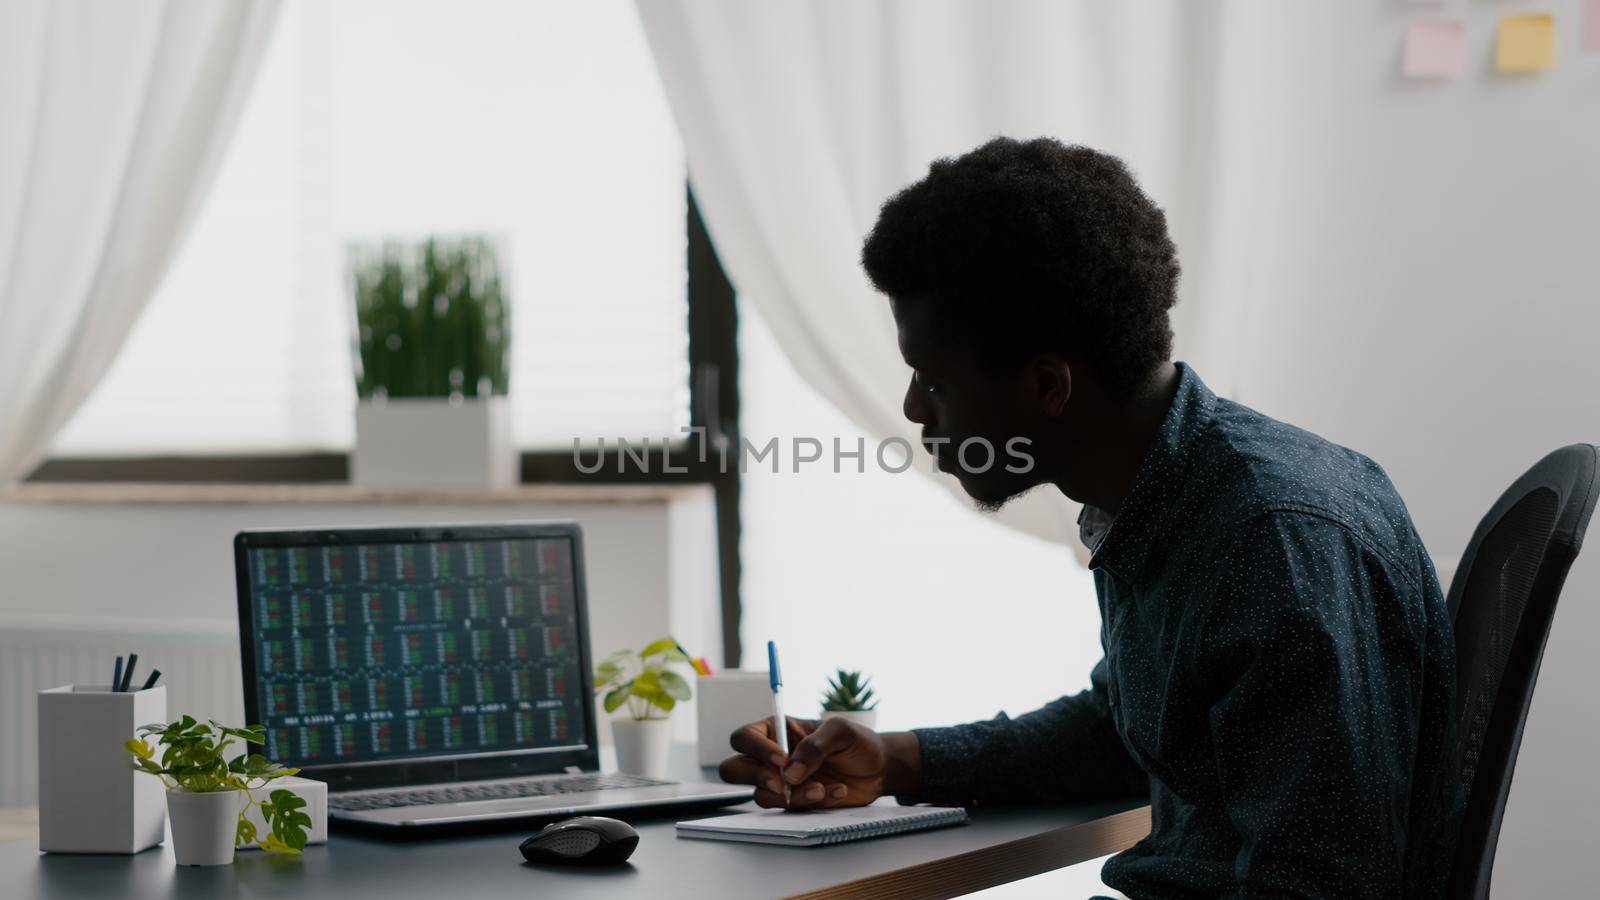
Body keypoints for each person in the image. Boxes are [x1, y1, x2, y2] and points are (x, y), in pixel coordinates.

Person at [718, 137, 1463, 898]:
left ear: (1047, 385)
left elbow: (1325, 884)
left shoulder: (1274, 540)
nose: (913, 409)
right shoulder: (1167, 496)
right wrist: (899, 757)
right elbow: (1125, 731)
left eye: (933, 382)